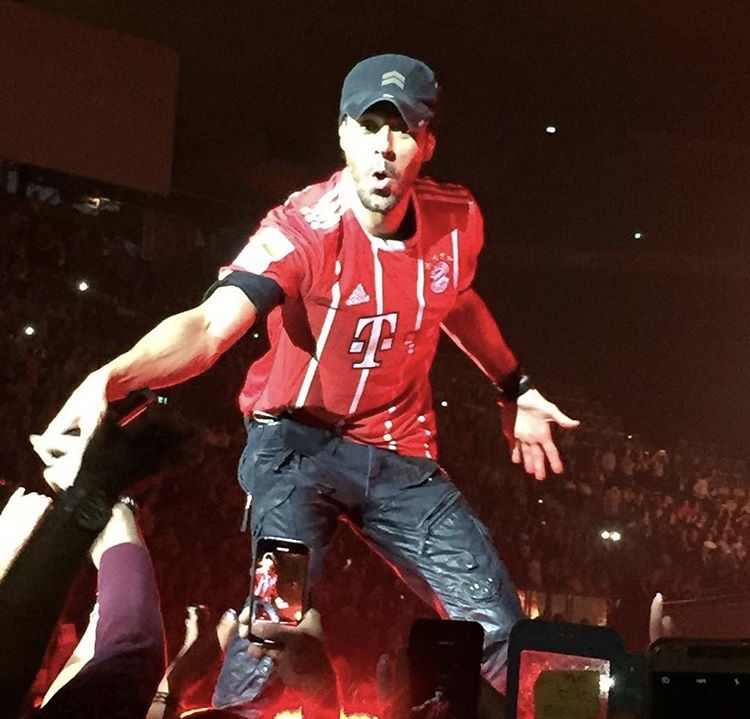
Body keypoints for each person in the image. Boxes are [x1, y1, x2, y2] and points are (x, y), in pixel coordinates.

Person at [31, 53, 579, 713]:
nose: (384, 146)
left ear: (428, 144)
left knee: (499, 627)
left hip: (401, 455)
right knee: (277, 620)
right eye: (368, 125)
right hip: (294, 449)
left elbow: (455, 299)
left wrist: (514, 385)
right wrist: (113, 376)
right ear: (343, 133)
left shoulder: (457, 218)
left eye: (403, 129)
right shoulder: (301, 228)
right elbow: (209, 326)